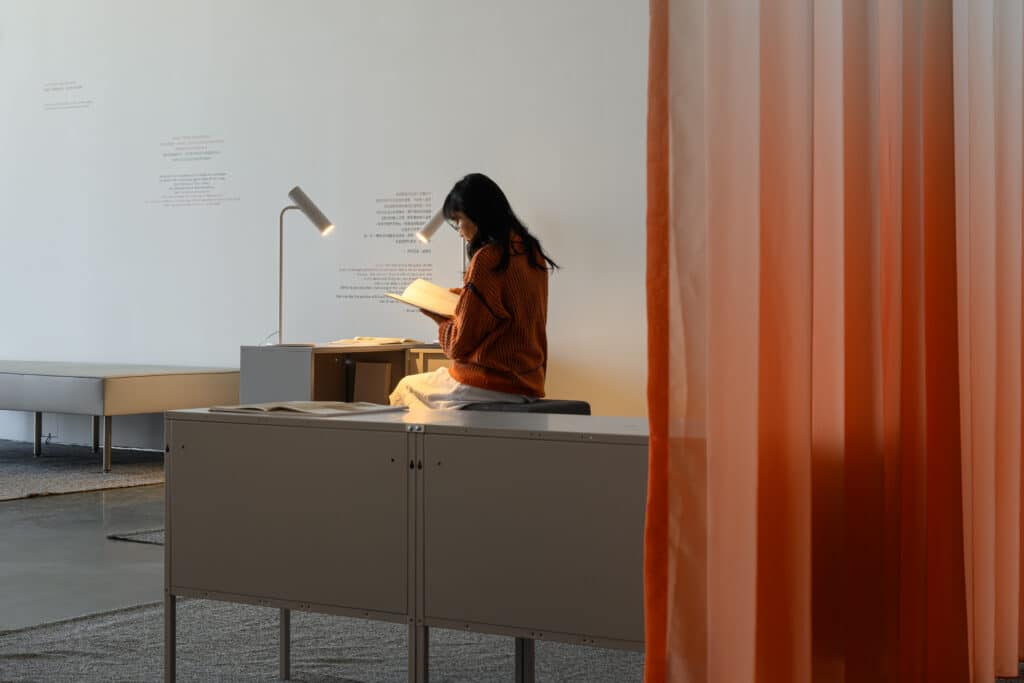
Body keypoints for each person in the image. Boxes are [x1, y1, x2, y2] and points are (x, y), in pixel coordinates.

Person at [389, 173, 558, 410]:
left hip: (490, 382)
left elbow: (458, 346)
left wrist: (439, 316)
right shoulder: (530, 251)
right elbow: (508, 305)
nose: (459, 231)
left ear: (478, 215)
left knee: (405, 387)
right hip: (528, 382)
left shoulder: (487, 258)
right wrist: (464, 297)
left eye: (459, 220)